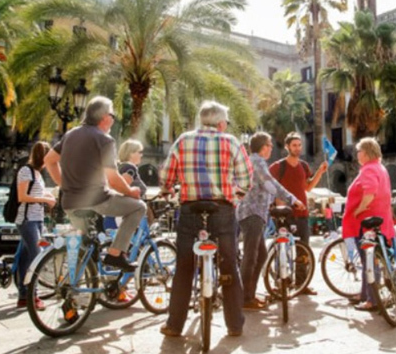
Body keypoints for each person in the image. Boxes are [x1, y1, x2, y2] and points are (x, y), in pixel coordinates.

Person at [159, 100, 253, 338]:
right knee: (229, 264)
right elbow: (246, 180)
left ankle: (174, 325)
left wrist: (169, 188)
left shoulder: (182, 140)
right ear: (221, 122)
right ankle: (234, 325)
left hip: (190, 209)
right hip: (222, 209)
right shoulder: (231, 142)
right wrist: (235, 196)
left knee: (184, 267)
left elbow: (166, 175)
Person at [44, 96, 146, 272]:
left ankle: (74, 289)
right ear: (105, 117)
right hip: (98, 200)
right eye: (113, 116)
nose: (114, 120)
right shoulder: (104, 139)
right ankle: (115, 254)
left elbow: (49, 160)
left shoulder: (70, 134)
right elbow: (113, 178)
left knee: (85, 247)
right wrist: (130, 191)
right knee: (139, 207)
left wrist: (64, 184)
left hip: (69, 202)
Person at [236, 132, 305, 310]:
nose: (271, 148)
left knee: (260, 256)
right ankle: (243, 298)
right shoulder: (257, 162)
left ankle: (249, 295)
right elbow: (271, 184)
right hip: (252, 213)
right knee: (251, 257)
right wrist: (292, 199)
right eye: (269, 145)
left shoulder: (254, 161)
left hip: (253, 213)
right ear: (263, 147)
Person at [269, 131, 328, 295]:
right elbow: (268, 186)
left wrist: (320, 172)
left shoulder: (303, 166)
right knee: (282, 247)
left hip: (302, 214)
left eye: (299, 145)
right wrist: (278, 200)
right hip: (283, 214)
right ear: (287, 147)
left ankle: (302, 284)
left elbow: (308, 188)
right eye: (294, 145)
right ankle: (281, 281)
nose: (297, 148)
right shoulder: (277, 166)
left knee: (303, 249)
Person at [342, 137, 395, 311]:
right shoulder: (380, 168)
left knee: (369, 261)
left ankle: (372, 300)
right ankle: (365, 293)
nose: (356, 154)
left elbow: (370, 192)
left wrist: (358, 210)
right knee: (370, 261)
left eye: (358, 151)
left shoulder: (368, 170)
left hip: (367, 222)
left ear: (365, 152)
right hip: (381, 220)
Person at [15, 141, 57, 309]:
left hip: (37, 219)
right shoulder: (26, 171)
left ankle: (23, 296)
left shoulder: (37, 174)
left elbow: (34, 192)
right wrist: (46, 199)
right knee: (37, 255)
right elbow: (22, 196)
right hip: (27, 221)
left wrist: (48, 195)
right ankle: (33, 296)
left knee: (25, 258)